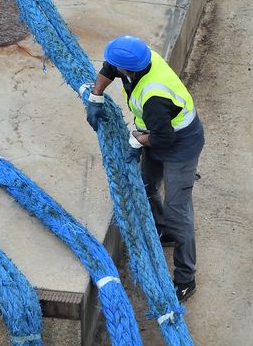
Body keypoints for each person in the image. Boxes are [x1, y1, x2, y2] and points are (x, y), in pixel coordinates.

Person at [86, 35, 205, 303]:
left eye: (117, 66)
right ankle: (164, 230)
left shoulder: (154, 96)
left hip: (180, 145)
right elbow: (108, 69)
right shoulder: (138, 58)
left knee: (179, 213)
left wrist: (136, 139)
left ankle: (186, 278)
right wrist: (96, 96)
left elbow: (165, 138)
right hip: (157, 131)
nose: (111, 68)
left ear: (129, 69)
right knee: (148, 184)